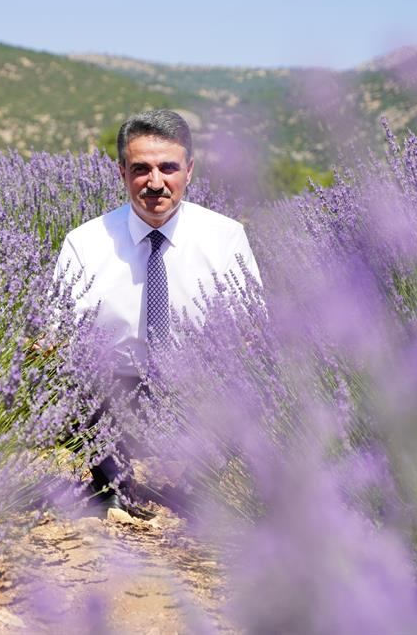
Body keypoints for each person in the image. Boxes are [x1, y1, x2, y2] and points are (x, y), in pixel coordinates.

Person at [52, 108, 262, 517]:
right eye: (141, 169)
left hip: (196, 394)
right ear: (122, 173)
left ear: (189, 170)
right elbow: (56, 337)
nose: (155, 183)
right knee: (65, 375)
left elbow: (253, 330)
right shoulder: (85, 243)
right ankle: (111, 482)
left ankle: (197, 488)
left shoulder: (225, 239)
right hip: (113, 398)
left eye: (168, 168)